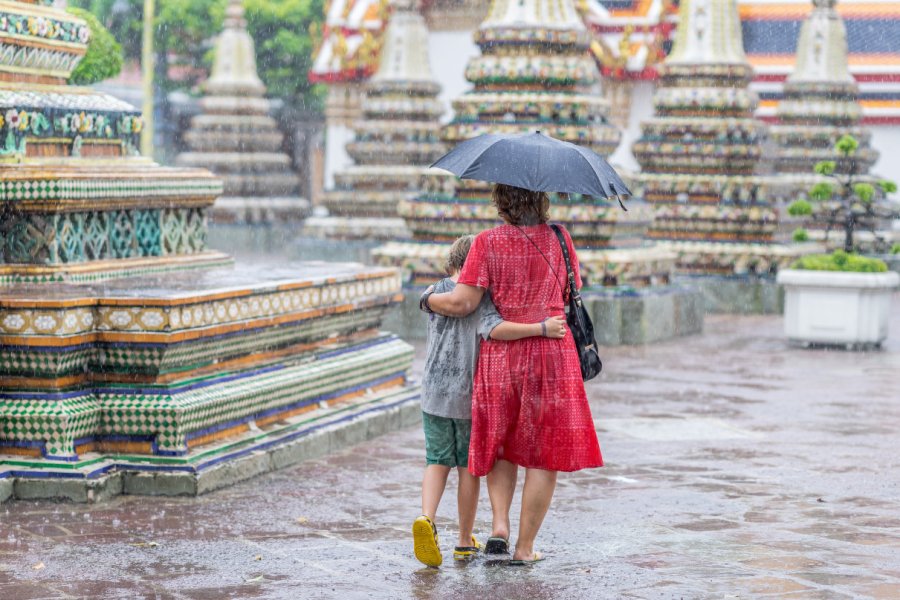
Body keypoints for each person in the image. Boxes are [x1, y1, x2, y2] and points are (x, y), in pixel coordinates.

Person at [420, 184, 603, 565]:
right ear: (541, 199)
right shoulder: (559, 238)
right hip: (550, 353)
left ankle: (499, 527)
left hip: (501, 356)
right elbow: (571, 293)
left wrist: (426, 298)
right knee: (542, 455)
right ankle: (523, 548)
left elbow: (463, 302)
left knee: (502, 443)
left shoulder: (486, 243)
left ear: (501, 202)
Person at [413, 234, 567, 568]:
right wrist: (540, 327)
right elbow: (495, 329)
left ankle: (426, 518)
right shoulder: (481, 296)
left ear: (452, 262)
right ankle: (464, 540)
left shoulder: (436, 290)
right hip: (469, 395)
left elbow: (433, 306)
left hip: (434, 393)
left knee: (436, 460)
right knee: (469, 468)